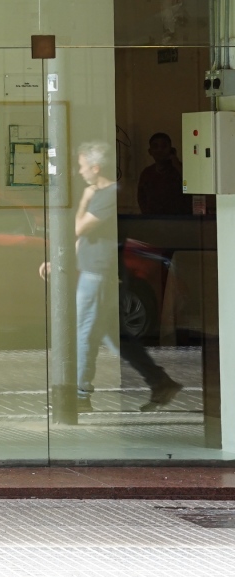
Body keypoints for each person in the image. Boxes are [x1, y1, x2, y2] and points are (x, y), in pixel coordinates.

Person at [73, 141, 183, 412]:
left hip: (98, 275)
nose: (80, 171)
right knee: (116, 337)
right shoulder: (105, 194)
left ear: (95, 167)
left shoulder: (106, 195)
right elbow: (85, 240)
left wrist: (84, 200)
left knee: (86, 334)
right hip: (96, 271)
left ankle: (81, 396)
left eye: (82, 166)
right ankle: (160, 382)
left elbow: (80, 229)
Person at [137, 132, 189, 216]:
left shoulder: (180, 170)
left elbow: (190, 187)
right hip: (153, 219)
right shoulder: (147, 173)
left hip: (179, 219)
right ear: (150, 151)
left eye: (164, 146)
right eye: (155, 147)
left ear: (171, 150)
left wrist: (176, 163)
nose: (159, 150)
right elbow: (141, 198)